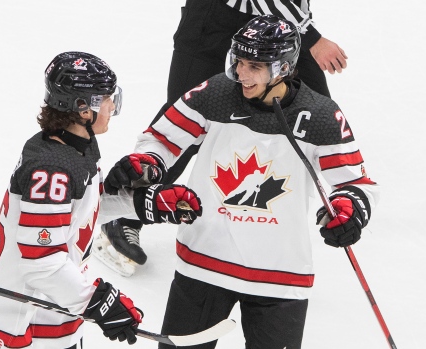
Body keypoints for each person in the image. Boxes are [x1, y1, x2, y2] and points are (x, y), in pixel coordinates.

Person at [103, 15, 379, 349]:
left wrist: (350, 209)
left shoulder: (320, 115)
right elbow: (161, 138)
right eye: (240, 61)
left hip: (280, 277)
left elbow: (357, 183)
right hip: (203, 263)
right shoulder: (216, 93)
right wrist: (148, 162)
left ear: (283, 68)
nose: (241, 74)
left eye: (254, 66)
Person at [94, 0, 349, 276]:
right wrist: (311, 37)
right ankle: (124, 214)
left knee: (313, 111)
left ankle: (336, 201)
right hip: (214, 22)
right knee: (188, 119)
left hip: (276, 29)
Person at [0, 51, 202, 349]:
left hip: (53, 303)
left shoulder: (71, 148)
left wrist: (139, 204)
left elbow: (74, 216)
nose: (112, 105)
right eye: (106, 98)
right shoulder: (52, 170)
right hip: (27, 316)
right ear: (84, 108)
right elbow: (40, 259)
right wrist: (96, 301)